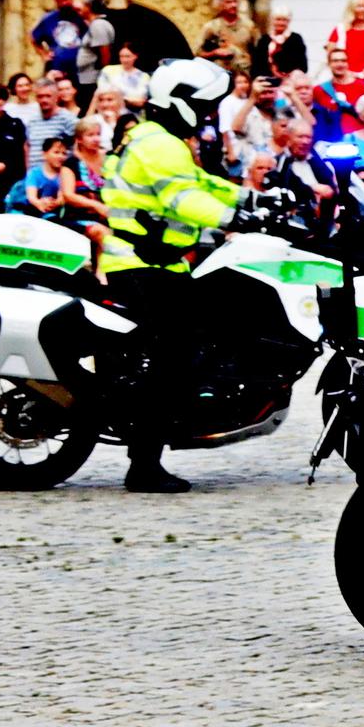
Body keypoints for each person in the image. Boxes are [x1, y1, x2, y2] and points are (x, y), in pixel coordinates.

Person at [93, 60, 244, 491]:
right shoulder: (160, 145)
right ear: (182, 103)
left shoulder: (152, 138)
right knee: (180, 350)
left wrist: (256, 194)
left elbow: (200, 182)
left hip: (154, 263)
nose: (210, 113)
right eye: (206, 105)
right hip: (142, 267)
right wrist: (239, 215)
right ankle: (145, 462)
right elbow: (183, 200)